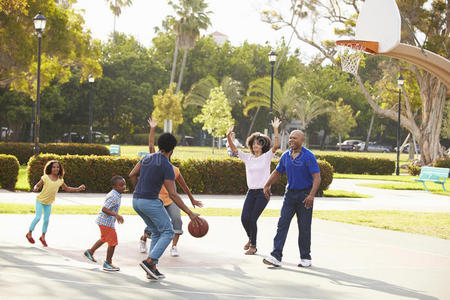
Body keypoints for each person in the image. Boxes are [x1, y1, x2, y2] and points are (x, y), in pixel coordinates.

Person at [129, 131, 202, 280]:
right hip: (150, 201)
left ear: (159, 145)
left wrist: (138, 189)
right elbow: (173, 194)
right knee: (168, 232)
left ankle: (152, 268)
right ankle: (149, 262)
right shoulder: (167, 166)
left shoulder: (147, 158)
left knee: (156, 232)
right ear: (172, 149)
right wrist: (189, 212)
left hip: (136, 201)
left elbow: (132, 174)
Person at [139, 118, 203, 257]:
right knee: (155, 226)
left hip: (170, 200)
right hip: (157, 200)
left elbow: (184, 187)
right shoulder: (154, 161)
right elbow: (151, 145)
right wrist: (152, 129)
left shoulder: (174, 170)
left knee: (177, 220)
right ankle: (144, 238)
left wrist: (192, 200)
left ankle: (173, 246)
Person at [262, 130, 321, 268]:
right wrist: (267, 184)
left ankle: (305, 257)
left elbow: (317, 177)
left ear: (302, 140)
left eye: (295, 138)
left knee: (304, 227)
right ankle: (276, 256)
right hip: (290, 195)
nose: (291, 140)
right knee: (282, 224)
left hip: (305, 195)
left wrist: (311, 195)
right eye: (290, 138)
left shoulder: (308, 156)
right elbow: (278, 172)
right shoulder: (286, 156)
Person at [226, 117, 280, 255]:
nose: (256, 146)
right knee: (244, 218)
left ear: (263, 145)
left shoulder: (267, 156)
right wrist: (228, 137)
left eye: (259, 143)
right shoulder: (247, 158)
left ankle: (254, 246)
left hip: (263, 192)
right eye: (254, 143)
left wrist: (275, 129)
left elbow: (276, 146)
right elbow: (234, 149)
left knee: (252, 219)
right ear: (251, 145)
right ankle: (250, 238)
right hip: (251, 192)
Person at [26, 160, 85, 247]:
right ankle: (29, 233)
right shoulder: (45, 177)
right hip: (40, 201)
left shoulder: (60, 180)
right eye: (54, 167)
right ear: (50, 168)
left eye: (57, 167)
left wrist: (78, 189)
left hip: (48, 203)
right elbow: (37, 185)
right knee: (38, 217)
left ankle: (43, 237)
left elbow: (67, 189)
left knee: (46, 220)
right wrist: (35, 188)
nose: (56, 168)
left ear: (60, 169)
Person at [83, 176, 126, 271]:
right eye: (121, 185)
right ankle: (108, 262)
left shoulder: (117, 194)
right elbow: (104, 209)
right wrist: (117, 215)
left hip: (105, 222)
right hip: (106, 223)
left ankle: (90, 252)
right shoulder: (114, 196)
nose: (124, 187)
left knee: (104, 238)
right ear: (114, 186)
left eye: (124, 185)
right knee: (113, 242)